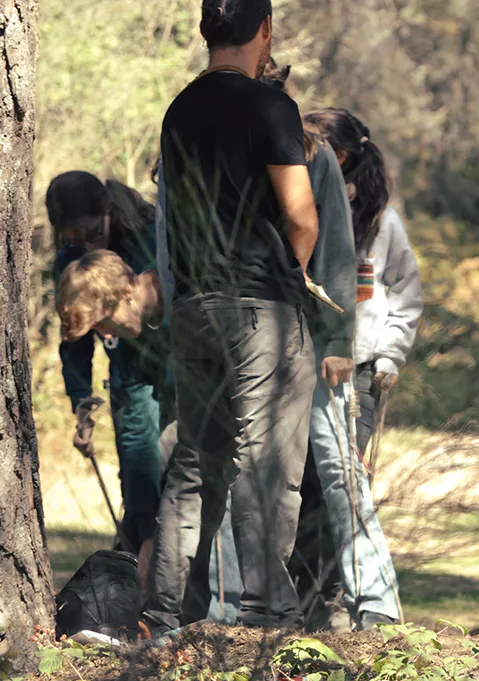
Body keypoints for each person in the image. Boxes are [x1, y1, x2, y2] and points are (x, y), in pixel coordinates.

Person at [143, 0, 320, 635]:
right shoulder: (269, 106)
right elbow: (301, 216)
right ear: (264, 31)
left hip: (193, 306)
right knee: (265, 459)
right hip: (259, 308)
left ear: (204, 31)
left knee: (197, 460)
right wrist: (295, 269)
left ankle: (163, 612)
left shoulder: (178, 111)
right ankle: (269, 610)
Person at [302, 107, 414, 630]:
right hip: (308, 364)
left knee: (346, 482)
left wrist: (390, 353)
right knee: (304, 486)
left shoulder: (383, 223)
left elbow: (406, 294)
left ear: (341, 155)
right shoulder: (305, 206)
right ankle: (311, 594)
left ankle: (352, 596)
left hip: (359, 372)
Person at [46, 172, 164, 585]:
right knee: (138, 483)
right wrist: (82, 401)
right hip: (129, 381)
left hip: (171, 370)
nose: (88, 244)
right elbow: (73, 340)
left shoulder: (148, 237)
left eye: (94, 231)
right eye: (75, 240)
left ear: (108, 211)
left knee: (178, 480)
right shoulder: (70, 260)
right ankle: (136, 582)